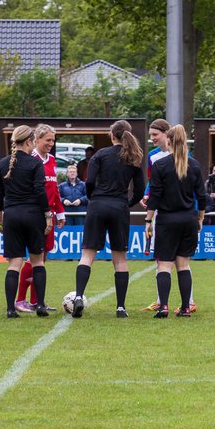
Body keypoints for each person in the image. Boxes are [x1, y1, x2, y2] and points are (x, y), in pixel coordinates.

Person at [73, 120, 146, 318]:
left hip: (98, 205)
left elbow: (88, 181)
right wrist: (128, 203)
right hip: (119, 207)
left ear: (112, 135)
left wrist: (92, 198)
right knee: (120, 259)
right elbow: (140, 189)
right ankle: (121, 307)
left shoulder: (100, 155)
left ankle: (78, 296)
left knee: (87, 255)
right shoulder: (134, 156)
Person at [145, 125, 206, 318]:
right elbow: (202, 196)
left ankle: (163, 306)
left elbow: (154, 195)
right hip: (188, 219)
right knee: (183, 265)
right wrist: (201, 217)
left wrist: (148, 220)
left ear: (168, 141)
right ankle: (186, 308)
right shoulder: (194, 165)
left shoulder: (160, 165)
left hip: (166, 220)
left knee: (164, 265)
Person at [0, 125, 52, 318]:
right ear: (29, 142)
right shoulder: (35, 164)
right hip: (32, 215)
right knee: (37, 262)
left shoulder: (2, 164)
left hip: (11, 215)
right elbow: (40, 191)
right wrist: (48, 215)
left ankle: (11, 309)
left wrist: (0, 220)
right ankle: (40, 306)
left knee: (14, 264)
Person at [14, 124, 66, 313]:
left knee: (43, 257)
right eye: (48, 140)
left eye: (53, 140)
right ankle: (20, 299)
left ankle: (37, 300)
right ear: (36, 140)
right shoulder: (30, 160)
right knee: (35, 258)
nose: (51, 144)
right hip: (35, 215)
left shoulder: (51, 160)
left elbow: (55, 190)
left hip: (49, 216)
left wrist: (59, 213)